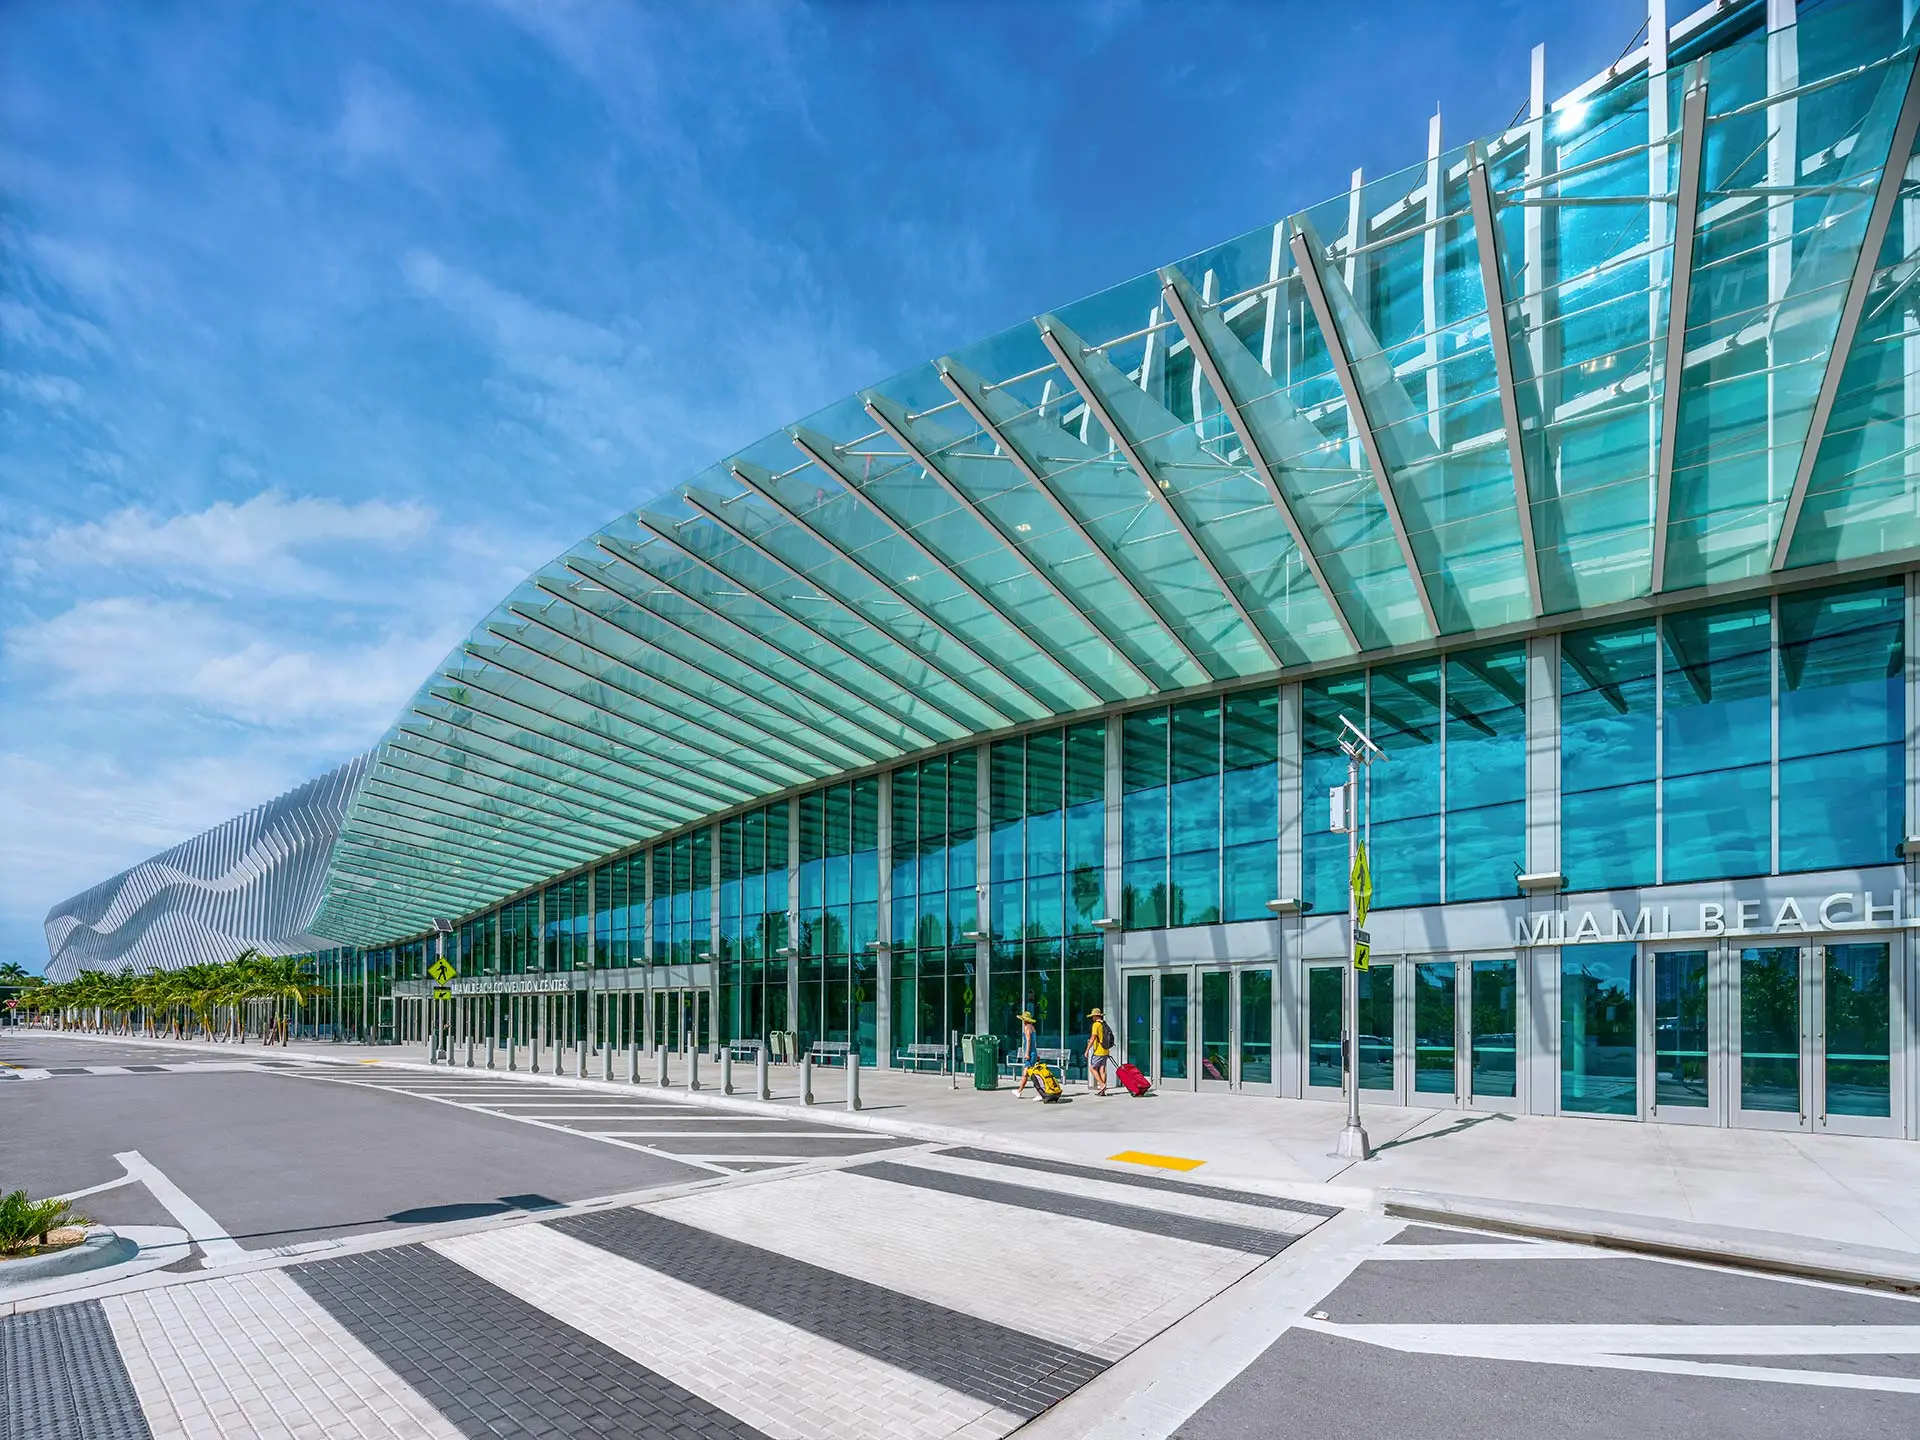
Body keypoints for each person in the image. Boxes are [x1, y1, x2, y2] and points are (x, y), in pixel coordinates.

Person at [1085, 1007, 1113, 1095]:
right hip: (1106, 1050)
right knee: (1102, 1070)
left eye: (1093, 1016)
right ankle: (1102, 1091)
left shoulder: (1096, 1025)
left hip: (1099, 1051)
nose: (1092, 1018)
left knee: (1092, 1068)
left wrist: (1087, 1050)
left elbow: (1093, 1038)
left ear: (1095, 1016)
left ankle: (1102, 1084)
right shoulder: (1104, 1024)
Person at [1012, 1010, 1040, 1097]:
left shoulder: (1027, 1028)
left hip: (1030, 1054)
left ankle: (1040, 1093)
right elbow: (1035, 1043)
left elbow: (1028, 1041)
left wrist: (1027, 1053)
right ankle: (1019, 1091)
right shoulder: (1033, 1028)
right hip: (1033, 1053)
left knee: (1032, 1075)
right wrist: (1036, 1053)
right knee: (1027, 1073)